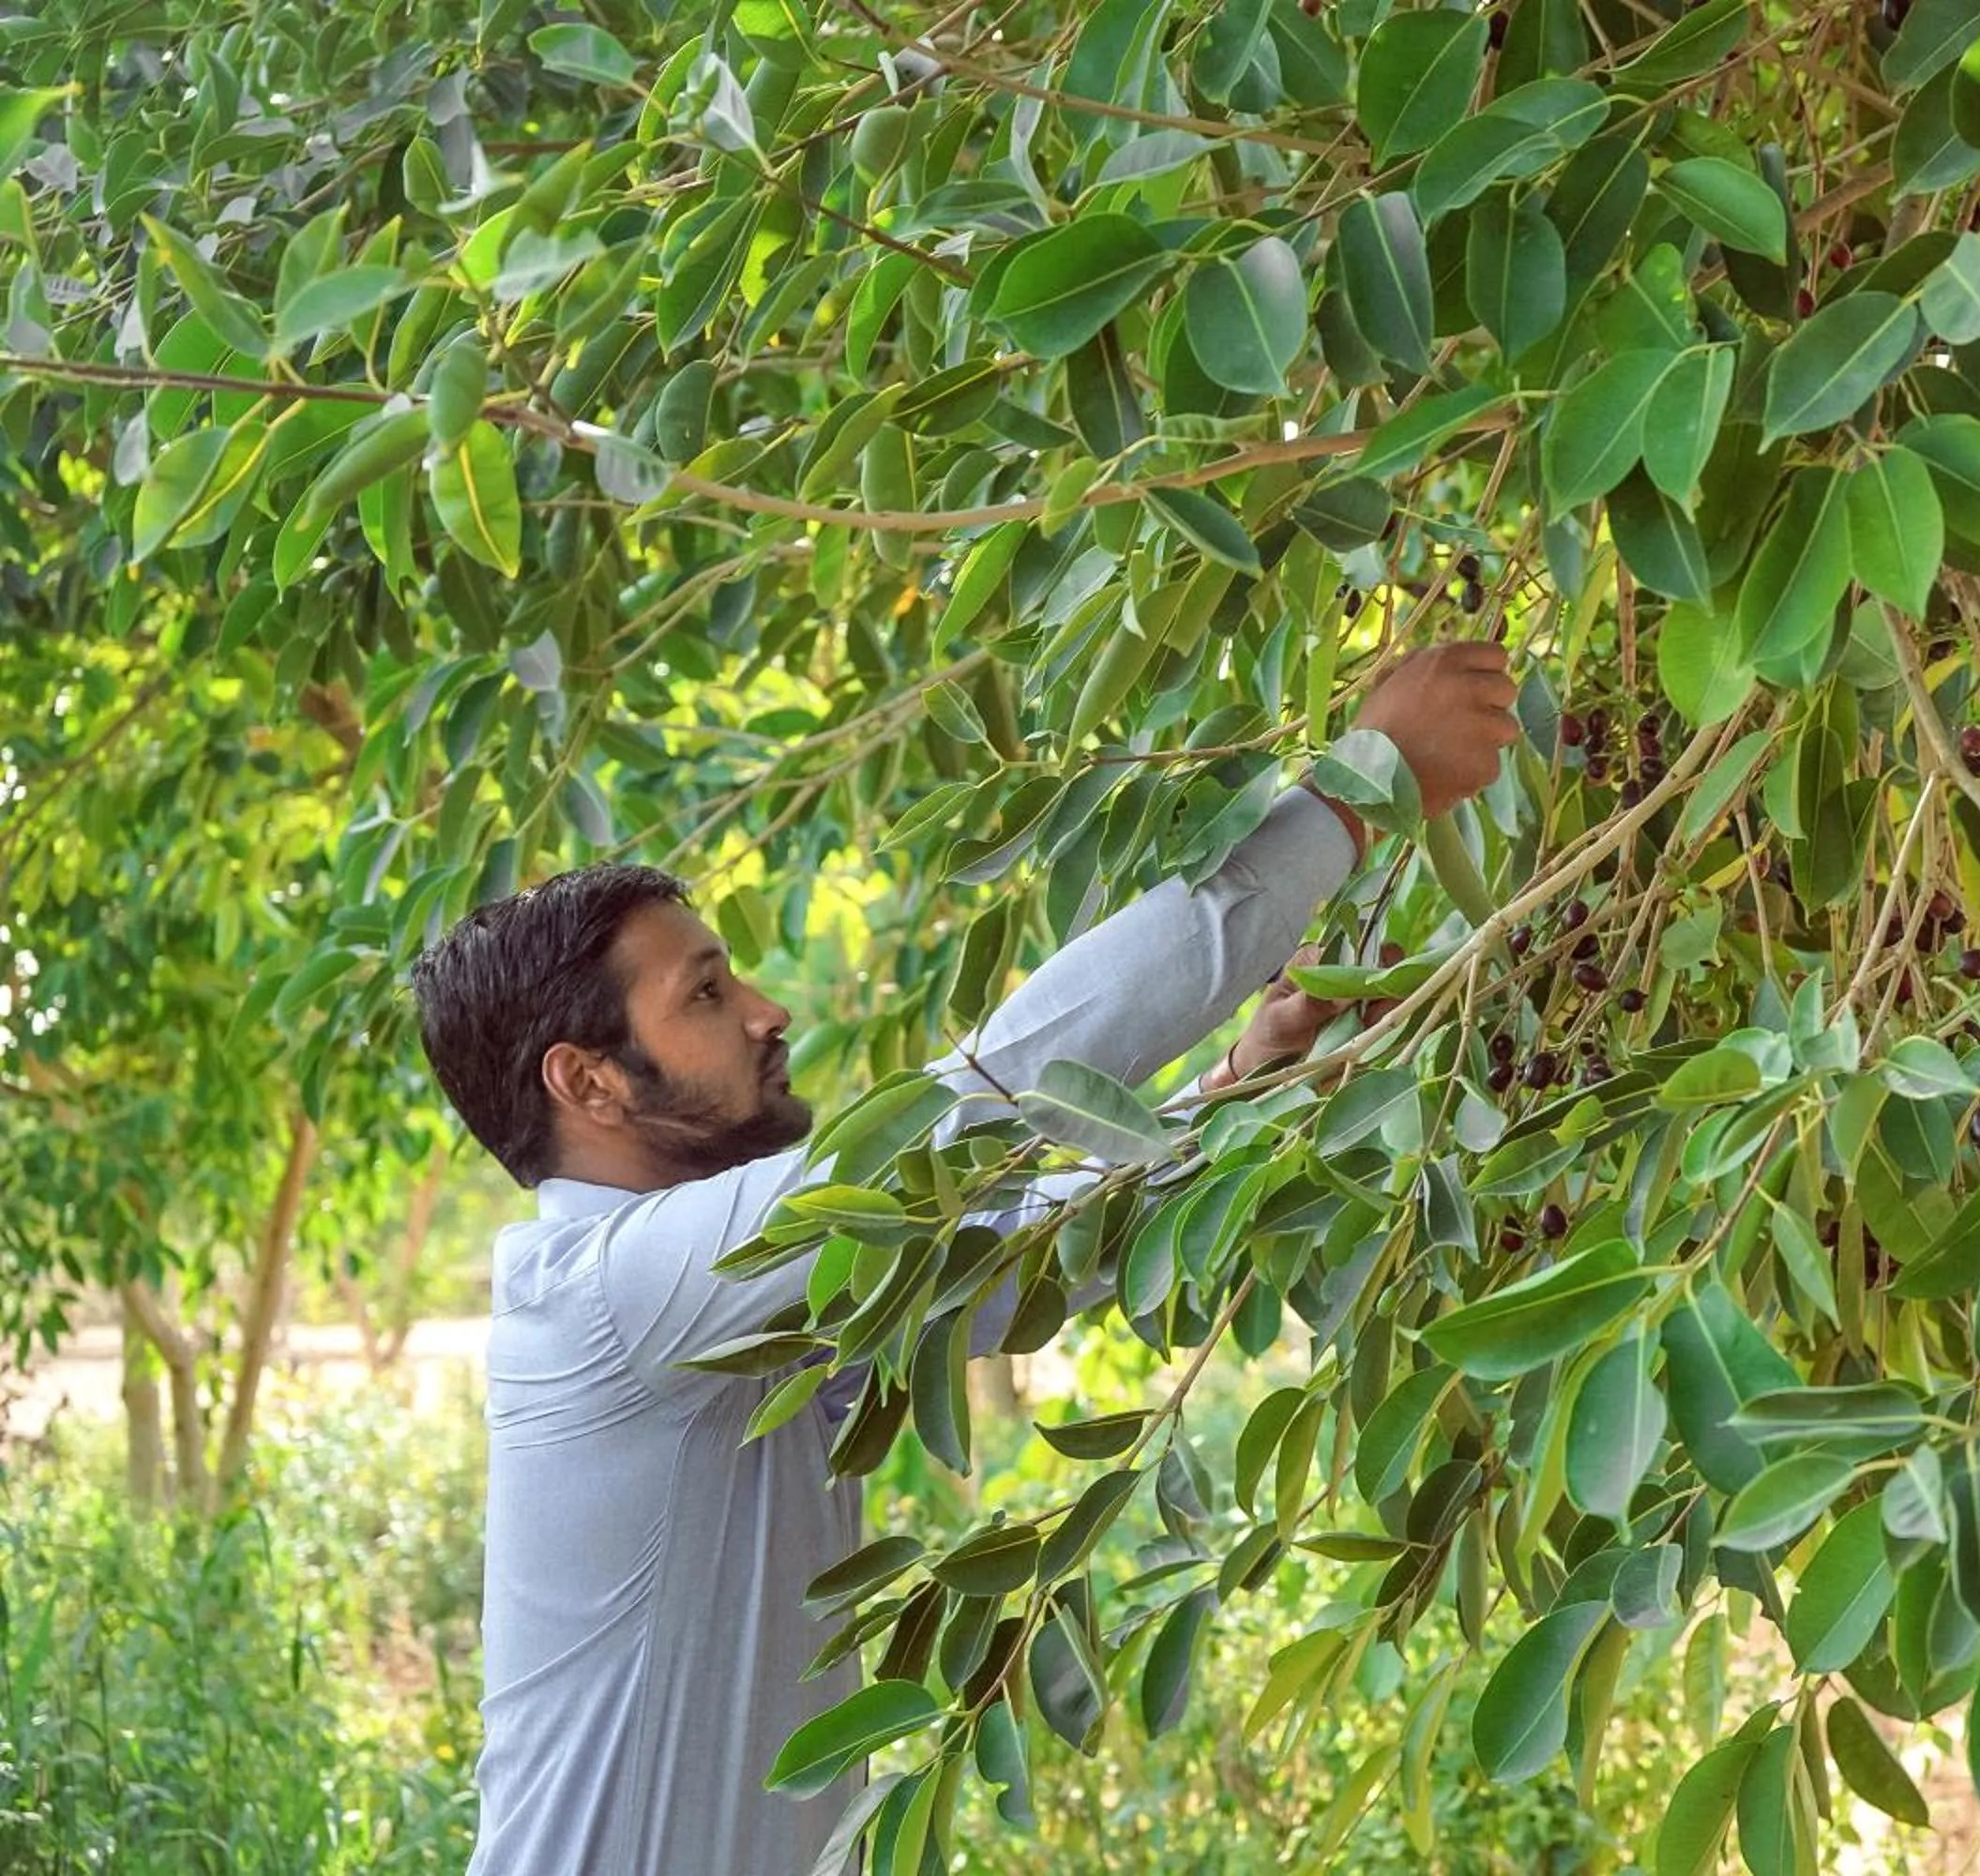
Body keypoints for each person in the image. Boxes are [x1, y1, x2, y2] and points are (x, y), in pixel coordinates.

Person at [409, 643, 1521, 1876]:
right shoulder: (607, 1303)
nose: (771, 1013)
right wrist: (1358, 795)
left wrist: (1244, 1088)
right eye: (710, 994)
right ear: (589, 1081)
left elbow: (1045, 1252)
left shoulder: (742, 1314)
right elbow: (991, 1097)